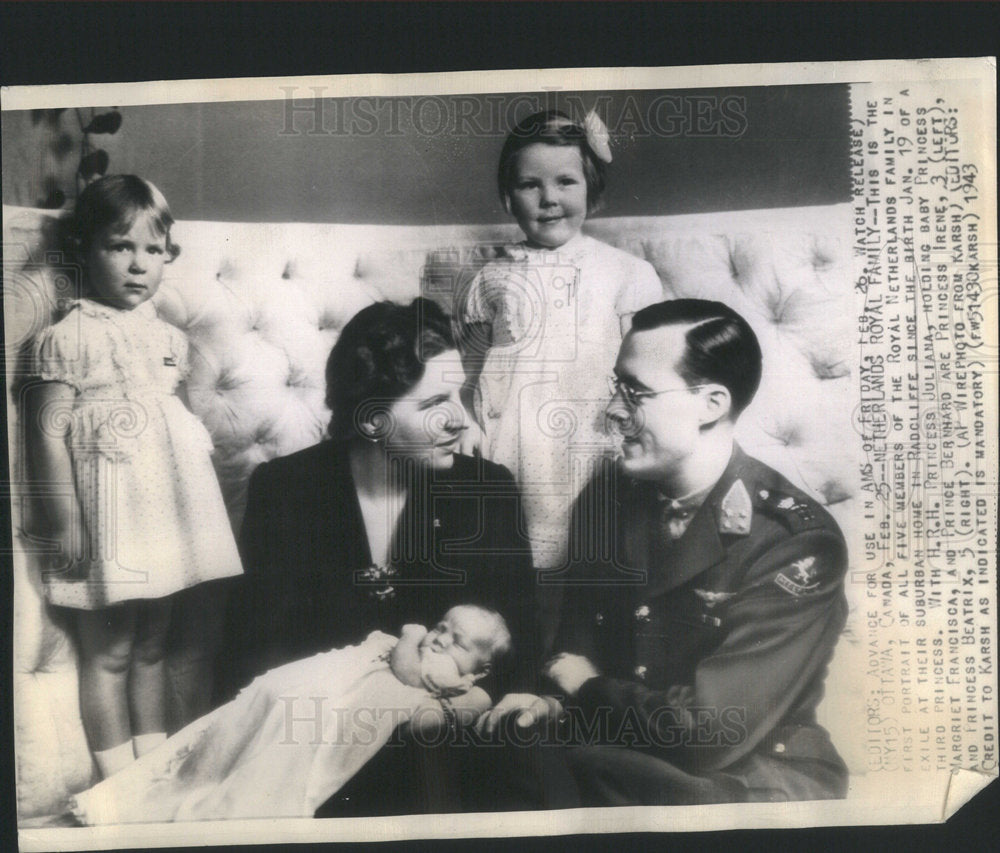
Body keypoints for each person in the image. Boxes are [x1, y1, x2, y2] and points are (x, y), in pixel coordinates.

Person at [480, 299, 850, 805]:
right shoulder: (607, 497)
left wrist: (591, 691)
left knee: (568, 773)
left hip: (747, 776)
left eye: (636, 392)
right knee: (493, 753)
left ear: (712, 404)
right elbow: (572, 656)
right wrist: (551, 705)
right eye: (617, 387)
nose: (612, 410)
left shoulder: (794, 541)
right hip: (623, 757)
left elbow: (711, 735)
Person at [223, 297, 534, 814]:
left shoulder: (488, 490)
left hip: (445, 751)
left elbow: (518, 635)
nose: (462, 421)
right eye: (435, 402)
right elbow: (256, 649)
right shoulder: (285, 488)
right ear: (370, 420)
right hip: (314, 749)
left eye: (459, 395)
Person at [24, 175, 243, 780]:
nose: (139, 264)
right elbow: (46, 431)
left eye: (153, 250)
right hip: (111, 516)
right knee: (111, 649)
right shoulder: (65, 339)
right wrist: (65, 518)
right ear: (85, 251)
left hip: (166, 517)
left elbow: (176, 425)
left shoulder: (170, 339)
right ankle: (119, 782)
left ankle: (155, 769)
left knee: (152, 645)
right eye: (120, 247)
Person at [460, 109, 662, 585]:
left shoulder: (627, 274)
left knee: (592, 545)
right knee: (514, 555)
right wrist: (467, 419)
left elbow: (648, 366)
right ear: (508, 198)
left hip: (592, 434)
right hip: (511, 433)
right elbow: (469, 368)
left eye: (566, 182)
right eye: (530, 185)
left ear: (592, 188)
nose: (549, 198)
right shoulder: (490, 277)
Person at [68, 606, 510, 824]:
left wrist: (410, 634)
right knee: (253, 713)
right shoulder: (445, 665)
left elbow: (407, 672)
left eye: (457, 641)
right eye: (440, 627)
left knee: (281, 740)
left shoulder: (448, 675)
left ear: (482, 669)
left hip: (333, 711)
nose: (438, 639)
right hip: (327, 684)